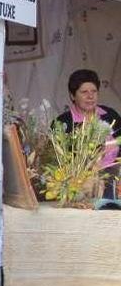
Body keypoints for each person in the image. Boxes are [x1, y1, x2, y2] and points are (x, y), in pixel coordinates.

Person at [54, 69, 121, 198]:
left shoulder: (110, 115)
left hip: (116, 183)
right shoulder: (63, 123)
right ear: (73, 96)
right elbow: (58, 159)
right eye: (84, 92)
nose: (90, 96)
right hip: (81, 188)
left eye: (94, 91)